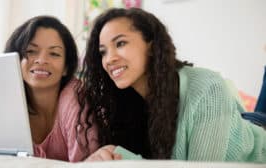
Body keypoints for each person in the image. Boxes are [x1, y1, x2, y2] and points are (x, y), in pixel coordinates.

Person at [78, 8, 266, 162]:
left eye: (120, 43)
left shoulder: (207, 87)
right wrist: (109, 157)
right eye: (103, 52)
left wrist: (119, 157)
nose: (109, 59)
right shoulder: (125, 102)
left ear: (151, 46)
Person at [4, 15, 98, 162]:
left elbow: (85, 165)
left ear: (66, 67)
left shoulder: (75, 97)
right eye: (31, 51)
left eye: (54, 53)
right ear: (16, 58)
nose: (41, 60)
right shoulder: (7, 101)